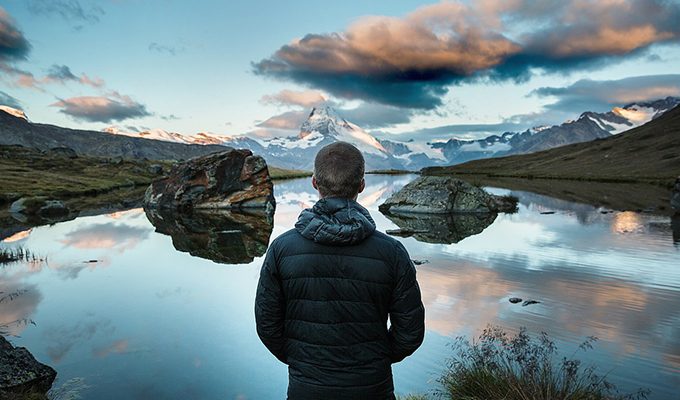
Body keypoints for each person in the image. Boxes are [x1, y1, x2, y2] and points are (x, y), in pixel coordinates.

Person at [255, 141, 425, 400]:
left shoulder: (281, 249)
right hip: (373, 388)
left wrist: (303, 360)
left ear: (314, 182)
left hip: (306, 389)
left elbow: (268, 326)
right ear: (361, 185)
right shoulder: (392, 252)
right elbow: (410, 331)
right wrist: (377, 358)